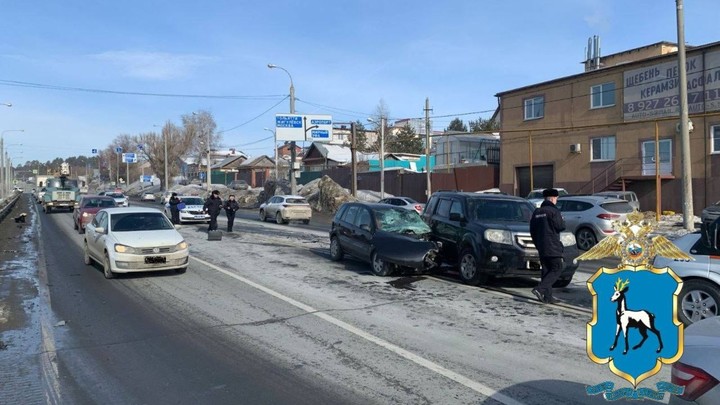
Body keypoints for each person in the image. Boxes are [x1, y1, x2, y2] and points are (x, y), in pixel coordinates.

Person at [529, 188, 566, 304]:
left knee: (546, 270)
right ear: (553, 198)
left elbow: (532, 230)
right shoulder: (554, 211)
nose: (556, 201)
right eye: (556, 198)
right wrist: (562, 220)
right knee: (557, 268)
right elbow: (560, 227)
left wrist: (537, 243)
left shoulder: (537, 212)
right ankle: (540, 289)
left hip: (541, 245)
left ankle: (547, 297)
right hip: (553, 245)